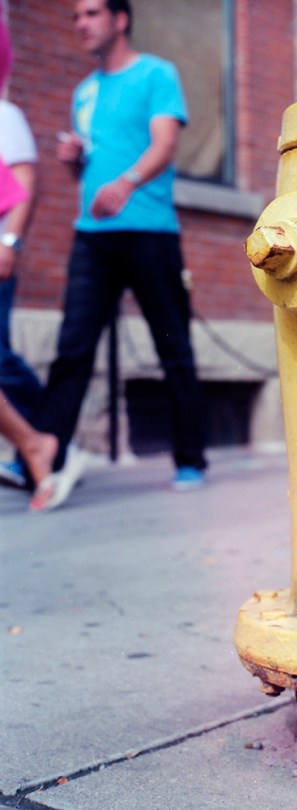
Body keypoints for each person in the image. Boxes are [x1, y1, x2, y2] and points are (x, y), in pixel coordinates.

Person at [32, 0, 207, 508]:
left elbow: (163, 145)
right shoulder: (83, 92)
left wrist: (127, 181)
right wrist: (73, 163)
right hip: (93, 233)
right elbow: (86, 172)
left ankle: (190, 459)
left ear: (119, 18)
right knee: (72, 347)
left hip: (150, 231)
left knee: (172, 346)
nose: (81, 24)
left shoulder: (157, 73)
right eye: (76, 17)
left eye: (90, 13)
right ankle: (47, 458)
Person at [0, 9, 46, 489]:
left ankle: (48, 435)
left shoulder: (5, 115)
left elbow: (25, 184)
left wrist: (8, 241)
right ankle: (37, 443)